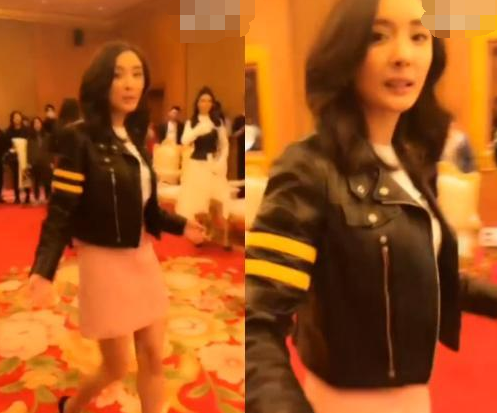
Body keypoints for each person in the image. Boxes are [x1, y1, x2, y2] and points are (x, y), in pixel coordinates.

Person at [245, 1, 497, 413]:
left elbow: (427, 273)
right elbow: (256, 322)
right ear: (344, 51)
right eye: (378, 36)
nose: (403, 55)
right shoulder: (309, 168)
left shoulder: (410, 158)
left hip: (415, 398)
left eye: (418, 36)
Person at [27, 42, 206, 413]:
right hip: (104, 261)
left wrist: (182, 225)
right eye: (119, 75)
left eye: (137, 75)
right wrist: (43, 270)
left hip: (142, 256)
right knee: (117, 366)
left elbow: (144, 208)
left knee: (153, 355)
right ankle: (72, 406)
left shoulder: (137, 137)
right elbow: (60, 212)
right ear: (101, 82)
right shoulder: (79, 138)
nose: (129, 84)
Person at [176, 87, 231, 241]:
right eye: (202, 100)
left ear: (212, 104)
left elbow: (224, 145)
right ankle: (200, 233)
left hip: (212, 164)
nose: (205, 103)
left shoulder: (217, 122)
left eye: (209, 101)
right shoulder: (191, 122)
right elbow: (184, 140)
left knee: (217, 199)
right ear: (197, 103)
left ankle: (221, 234)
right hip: (196, 164)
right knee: (197, 202)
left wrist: (221, 161)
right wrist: (198, 130)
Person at [3, 110, 30, 204]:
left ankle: (27, 196)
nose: (17, 119)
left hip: (24, 156)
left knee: (25, 175)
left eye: (18, 117)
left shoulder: (26, 130)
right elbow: (6, 144)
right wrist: (11, 149)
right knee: (15, 176)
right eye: (15, 117)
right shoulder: (8, 131)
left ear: (21, 118)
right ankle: (17, 196)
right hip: (14, 157)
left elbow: (29, 142)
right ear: (12, 119)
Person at [27, 117, 53, 203]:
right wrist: (29, 162)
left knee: (47, 181)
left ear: (41, 124)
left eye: (38, 123)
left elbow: (51, 150)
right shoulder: (30, 137)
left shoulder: (48, 136)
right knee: (36, 181)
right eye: (35, 123)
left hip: (46, 161)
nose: (37, 125)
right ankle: (37, 198)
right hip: (35, 162)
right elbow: (28, 151)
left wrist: (51, 161)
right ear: (33, 125)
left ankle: (47, 197)